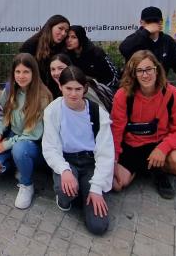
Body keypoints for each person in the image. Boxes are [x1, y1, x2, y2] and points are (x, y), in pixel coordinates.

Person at [111, 50, 176, 199]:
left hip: (159, 144)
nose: (145, 75)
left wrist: (163, 148)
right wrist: (114, 159)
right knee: (116, 184)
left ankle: (158, 170)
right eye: (140, 70)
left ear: (157, 70)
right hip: (131, 146)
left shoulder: (173, 94)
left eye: (149, 69)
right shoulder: (123, 95)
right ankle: (147, 168)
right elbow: (115, 130)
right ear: (133, 74)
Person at [42, 66, 113, 235]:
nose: (73, 94)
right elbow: (50, 147)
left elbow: (106, 154)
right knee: (66, 193)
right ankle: (68, 195)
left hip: (90, 163)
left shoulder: (97, 113)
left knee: (98, 226)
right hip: (67, 160)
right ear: (60, 87)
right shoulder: (52, 110)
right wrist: (64, 170)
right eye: (68, 88)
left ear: (85, 88)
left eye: (78, 89)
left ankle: (86, 190)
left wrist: (96, 189)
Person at [0, 53, 52, 209]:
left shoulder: (43, 96)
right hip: (12, 135)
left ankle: (26, 184)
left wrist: (6, 145)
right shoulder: (10, 90)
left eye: (26, 72)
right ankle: (17, 164)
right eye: (18, 72)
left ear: (34, 72)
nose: (21, 76)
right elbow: (3, 116)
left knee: (19, 149)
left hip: (32, 143)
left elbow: (33, 134)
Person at [118, 7, 176, 110]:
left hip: (160, 86)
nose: (152, 24)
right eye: (148, 22)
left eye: (155, 21)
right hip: (136, 87)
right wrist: (146, 32)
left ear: (160, 23)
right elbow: (124, 49)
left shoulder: (167, 41)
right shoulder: (135, 39)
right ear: (141, 23)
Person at [19, 14, 70, 90]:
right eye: (60, 28)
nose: (63, 33)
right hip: (34, 90)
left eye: (66, 31)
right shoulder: (31, 45)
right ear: (50, 27)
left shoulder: (63, 48)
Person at [65, 25, 118, 89]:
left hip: (102, 88)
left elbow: (113, 76)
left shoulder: (96, 53)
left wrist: (100, 88)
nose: (69, 40)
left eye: (74, 37)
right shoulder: (66, 54)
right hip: (78, 89)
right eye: (67, 37)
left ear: (81, 38)